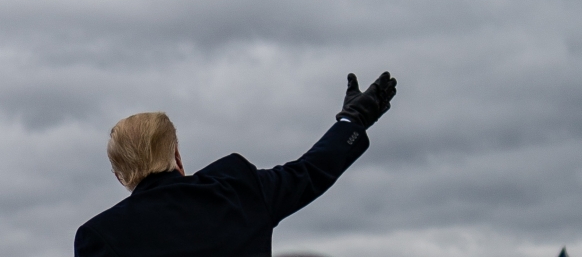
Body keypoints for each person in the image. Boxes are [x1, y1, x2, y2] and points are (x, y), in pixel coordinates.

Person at [74, 71, 397, 257]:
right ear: (176, 156)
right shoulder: (237, 188)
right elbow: (311, 171)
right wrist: (352, 119)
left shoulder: (100, 236)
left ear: (119, 175)